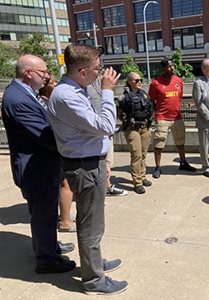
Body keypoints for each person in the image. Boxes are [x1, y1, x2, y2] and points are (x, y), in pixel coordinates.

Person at [47, 44, 128, 295]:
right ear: (82, 72)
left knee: (92, 222)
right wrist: (106, 91)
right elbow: (105, 125)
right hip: (84, 167)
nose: (101, 73)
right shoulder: (67, 95)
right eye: (97, 68)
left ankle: (93, 264)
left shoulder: (76, 89)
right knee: (90, 224)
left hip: (90, 163)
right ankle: (93, 279)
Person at [1, 54, 76, 273]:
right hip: (37, 169)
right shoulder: (18, 99)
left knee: (44, 214)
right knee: (44, 215)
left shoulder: (22, 92)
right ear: (28, 73)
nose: (47, 76)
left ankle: (49, 247)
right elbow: (46, 137)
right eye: (43, 72)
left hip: (38, 167)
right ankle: (47, 260)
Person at [39, 75, 76, 232]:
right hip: (55, 149)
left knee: (63, 184)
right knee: (65, 184)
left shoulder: (48, 101)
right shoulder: (44, 103)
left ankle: (64, 215)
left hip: (57, 148)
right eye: (53, 83)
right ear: (45, 86)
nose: (56, 85)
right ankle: (66, 222)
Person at [148, 59, 196, 178]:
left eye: (172, 66)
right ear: (163, 68)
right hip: (162, 117)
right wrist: (156, 113)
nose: (172, 68)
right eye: (169, 66)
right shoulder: (155, 83)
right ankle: (158, 167)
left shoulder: (178, 80)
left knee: (180, 140)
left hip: (177, 116)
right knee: (159, 143)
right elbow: (151, 100)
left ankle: (183, 162)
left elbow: (179, 97)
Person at [87, 80, 128, 197]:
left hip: (107, 131)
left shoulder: (101, 85)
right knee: (100, 164)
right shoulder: (84, 87)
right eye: (97, 68)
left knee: (108, 163)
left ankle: (107, 187)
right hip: (95, 131)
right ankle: (100, 190)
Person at [118, 72, 153, 193]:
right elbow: (120, 113)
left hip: (144, 127)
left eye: (140, 80)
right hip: (132, 129)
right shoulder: (125, 97)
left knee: (143, 153)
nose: (139, 82)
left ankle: (142, 176)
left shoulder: (143, 94)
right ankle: (137, 181)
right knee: (136, 155)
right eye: (136, 80)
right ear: (130, 82)